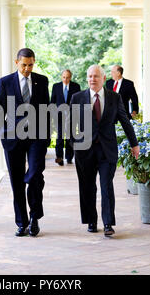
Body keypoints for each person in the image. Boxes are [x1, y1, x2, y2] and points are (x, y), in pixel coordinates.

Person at [70, 65, 140, 237]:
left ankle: (108, 223)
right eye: (89, 76)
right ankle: (91, 221)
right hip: (84, 151)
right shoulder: (77, 98)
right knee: (87, 187)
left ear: (103, 78)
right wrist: (75, 145)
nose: (92, 79)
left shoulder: (114, 98)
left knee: (106, 186)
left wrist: (134, 144)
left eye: (95, 76)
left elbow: (125, 121)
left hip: (107, 150)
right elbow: (70, 125)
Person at [0, 48, 50, 237]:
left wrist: (46, 137)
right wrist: (4, 136)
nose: (27, 68)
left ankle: (35, 216)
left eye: (31, 65)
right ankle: (22, 222)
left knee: (34, 176)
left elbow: (46, 110)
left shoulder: (42, 81)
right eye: (24, 64)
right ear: (16, 62)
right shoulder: (5, 82)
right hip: (13, 140)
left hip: (36, 138)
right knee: (16, 182)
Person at [50, 70, 81, 166]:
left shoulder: (76, 86)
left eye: (67, 77)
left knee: (70, 137)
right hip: (59, 116)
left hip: (72, 116)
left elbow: (78, 102)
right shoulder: (56, 86)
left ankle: (69, 157)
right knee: (59, 137)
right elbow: (52, 102)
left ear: (70, 77)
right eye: (64, 77)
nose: (65, 79)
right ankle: (59, 158)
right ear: (61, 77)